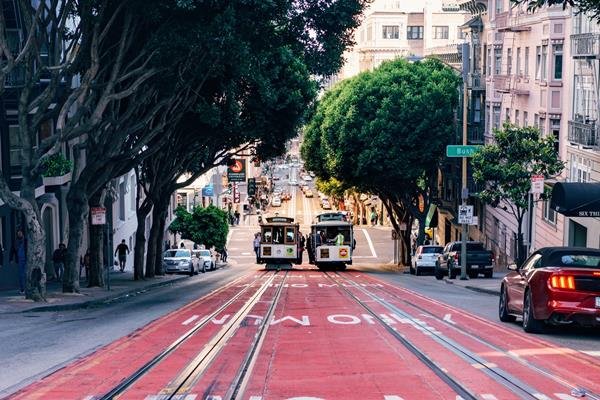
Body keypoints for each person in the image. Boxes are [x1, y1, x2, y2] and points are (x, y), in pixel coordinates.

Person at [10, 229, 27, 294]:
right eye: (18, 233)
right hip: (19, 260)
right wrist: (11, 259)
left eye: (20, 233)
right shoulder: (15, 242)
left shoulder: (26, 241)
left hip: (26, 259)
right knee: (21, 275)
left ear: (23, 233)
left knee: (26, 274)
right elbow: (12, 250)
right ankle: (22, 288)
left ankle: (27, 288)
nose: (19, 234)